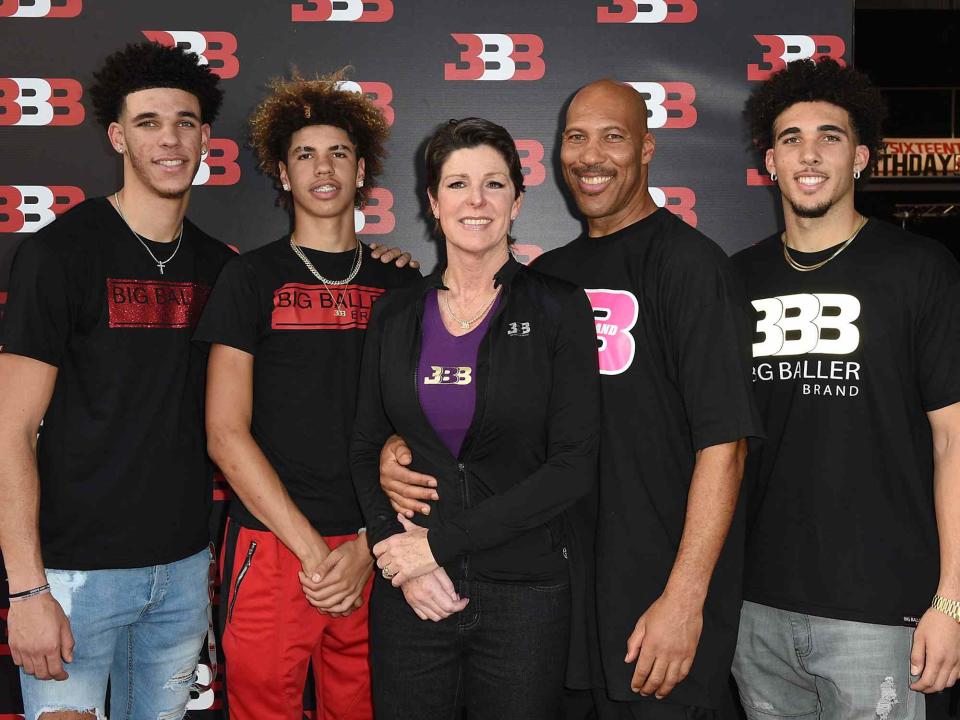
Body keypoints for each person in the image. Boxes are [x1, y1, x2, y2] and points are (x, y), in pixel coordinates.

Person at [379, 82, 763, 719]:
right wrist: (403, 443)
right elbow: (470, 406)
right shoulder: (547, 282)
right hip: (556, 603)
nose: (592, 154)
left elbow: (725, 447)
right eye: (576, 136)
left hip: (656, 604)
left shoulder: (692, 267)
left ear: (646, 148)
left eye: (612, 136)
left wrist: (686, 597)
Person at [0, 42, 229, 720]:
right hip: (74, 579)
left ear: (205, 137)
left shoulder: (221, 268)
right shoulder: (56, 254)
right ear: (117, 135)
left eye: (185, 122)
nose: (169, 138)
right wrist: (25, 591)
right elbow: (11, 429)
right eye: (149, 121)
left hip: (184, 575)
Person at [730, 57, 960, 720]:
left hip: (885, 614)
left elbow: (952, 442)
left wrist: (950, 600)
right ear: (768, 161)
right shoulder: (735, 280)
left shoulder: (920, 270)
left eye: (829, 137)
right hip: (757, 612)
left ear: (859, 157)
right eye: (790, 138)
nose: (809, 153)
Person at [350, 117, 600, 719]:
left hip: (526, 598)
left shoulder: (558, 308)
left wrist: (439, 545)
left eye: (494, 184)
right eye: (458, 185)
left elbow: (574, 465)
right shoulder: (395, 314)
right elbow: (364, 448)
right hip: (412, 595)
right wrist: (397, 553)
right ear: (433, 202)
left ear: (517, 199)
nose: (477, 201)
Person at [193, 72, 420, 720]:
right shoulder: (249, 277)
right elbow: (224, 433)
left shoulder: (403, 286)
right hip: (275, 548)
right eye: (305, 154)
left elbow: (427, 431)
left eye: (339, 153)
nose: (324, 168)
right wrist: (317, 553)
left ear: (362, 172)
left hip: (379, 551)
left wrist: (366, 548)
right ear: (283, 176)